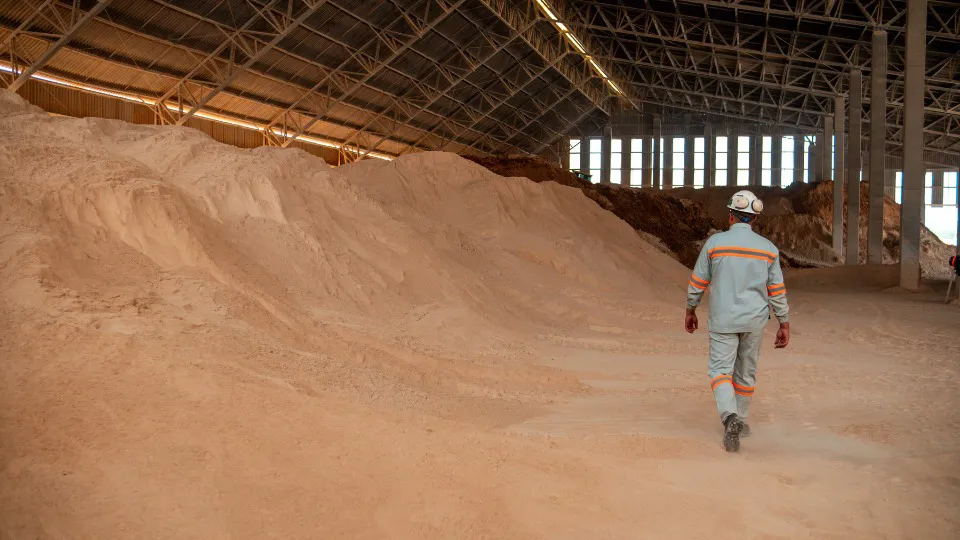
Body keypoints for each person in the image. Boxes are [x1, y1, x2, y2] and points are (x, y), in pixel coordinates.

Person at [684, 190, 790, 452]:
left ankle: (729, 417)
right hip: (754, 321)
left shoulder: (715, 243)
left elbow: (698, 281)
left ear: (731, 215)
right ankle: (740, 422)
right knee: (746, 372)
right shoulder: (768, 249)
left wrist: (691, 308)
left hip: (723, 319)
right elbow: (776, 290)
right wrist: (783, 322)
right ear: (753, 219)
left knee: (720, 371)